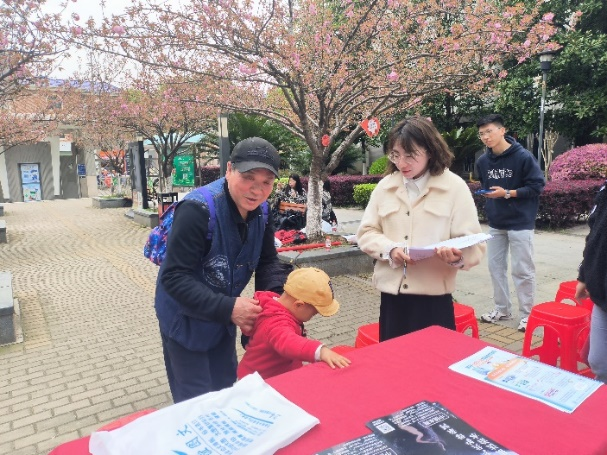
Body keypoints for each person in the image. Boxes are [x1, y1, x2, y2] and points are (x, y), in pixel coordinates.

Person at [154, 137, 292, 403]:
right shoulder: (197, 210)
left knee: (225, 388)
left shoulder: (262, 211)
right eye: (248, 177)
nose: (257, 190)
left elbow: (267, 261)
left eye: (267, 182)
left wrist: (274, 309)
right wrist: (230, 308)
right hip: (184, 319)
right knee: (196, 401)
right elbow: (174, 277)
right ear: (229, 169)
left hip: (223, 316)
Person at [357, 116, 485, 342]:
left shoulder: (454, 187)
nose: (402, 163)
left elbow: (474, 244)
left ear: (430, 151)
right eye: (395, 155)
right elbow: (366, 232)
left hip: (433, 300)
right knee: (394, 359)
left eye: (410, 155)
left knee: (434, 360)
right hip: (393, 298)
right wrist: (390, 249)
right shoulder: (385, 187)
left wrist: (457, 257)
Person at [475, 114, 545, 332]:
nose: (486, 137)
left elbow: (536, 187)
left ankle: (527, 315)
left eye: (489, 131)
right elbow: (487, 186)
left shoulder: (523, 157)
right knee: (495, 268)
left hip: (521, 222)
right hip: (496, 222)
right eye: (482, 134)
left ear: (502, 130)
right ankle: (502, 309)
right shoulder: (482, 161)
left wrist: (507, 193)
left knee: (522, 270)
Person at [237, 267, 351, 380]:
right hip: (260, 381)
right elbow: (289, 342)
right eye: (313, 313)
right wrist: (321, 351)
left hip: (276, 372)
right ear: (299, 305)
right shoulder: (276, 322)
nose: (313, 316)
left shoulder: (274, 304)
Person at [575, 179, 607, 383]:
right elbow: (594, 236)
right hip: (602, 296)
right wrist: (585, 275)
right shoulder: (605, 189)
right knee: (598, 361)